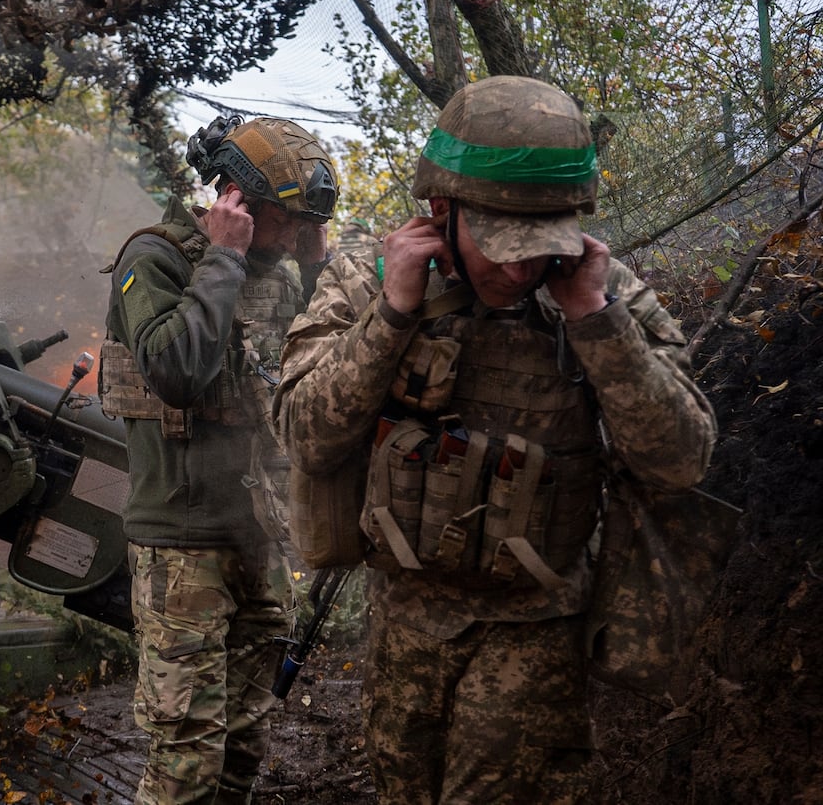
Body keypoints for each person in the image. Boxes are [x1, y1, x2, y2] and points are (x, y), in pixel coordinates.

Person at [273, 75, 717, 804]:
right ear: (441, 210)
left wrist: (596, 323)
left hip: (538, 624)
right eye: (500, 244)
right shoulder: (369, 279)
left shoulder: (602, 294)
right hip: (407, 621)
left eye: (540, 246)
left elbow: (681, 458)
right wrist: (390, 316)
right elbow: (306, 436)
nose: (519, 269)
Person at [98, 113, 339, 805]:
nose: (293, 234)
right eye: (286, 217)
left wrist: (317, 260)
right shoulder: (155, 259)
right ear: (235, 197)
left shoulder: (275, 271)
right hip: (182, 544)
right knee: (186, 756)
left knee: (246, 739)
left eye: (304, 222)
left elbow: (328, 355)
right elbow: (177, 368)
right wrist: (224, 256)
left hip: (258, 535)